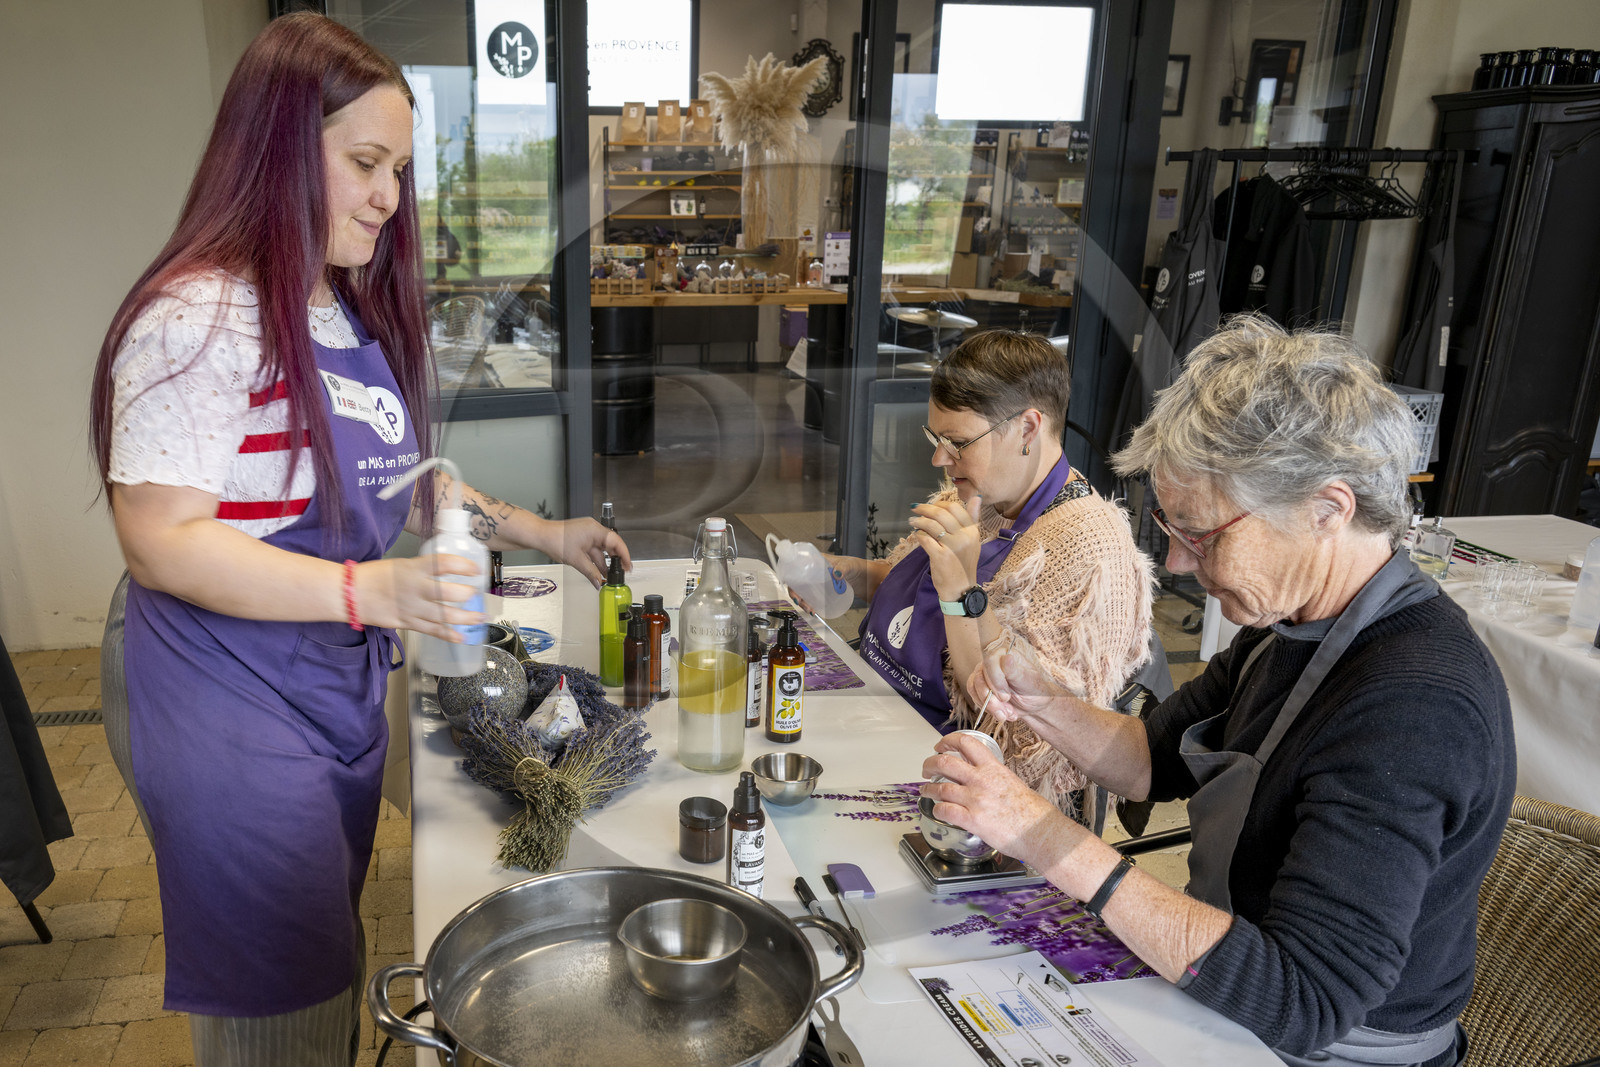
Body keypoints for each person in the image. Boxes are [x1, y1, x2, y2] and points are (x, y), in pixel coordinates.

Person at [87, 15, 628, 1064]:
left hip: (317, 670)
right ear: (277, 151)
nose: (390, 197)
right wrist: (367, 592)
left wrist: (539, 530)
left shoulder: (334, 307)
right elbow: (160, 540)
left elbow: (409, 484)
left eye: (401, 170)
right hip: (221, 683)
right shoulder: (199, 317)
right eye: (366, 163)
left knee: (324, 950)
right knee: (277, 985)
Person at [923, 316, 1514, 1066]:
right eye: (1171, 526)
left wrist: (1040, 832)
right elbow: (1151, 761)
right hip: (1226, 990)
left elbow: (1303, 999)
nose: (1176, 561)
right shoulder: (1287, 625)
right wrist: (1044, 700)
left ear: (1328, 510)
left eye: (1201, 534)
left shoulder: (1415, 706)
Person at [827, 329, 1153, 817]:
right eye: (936, 438)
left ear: (1027, 429)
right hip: (879, 717)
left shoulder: (1089, 549)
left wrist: (961, 590)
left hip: (961, 782)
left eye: (958, 442)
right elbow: (912, 592)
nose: (939, 459)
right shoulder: (983, 494)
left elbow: (1016, 734)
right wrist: (853, 575)